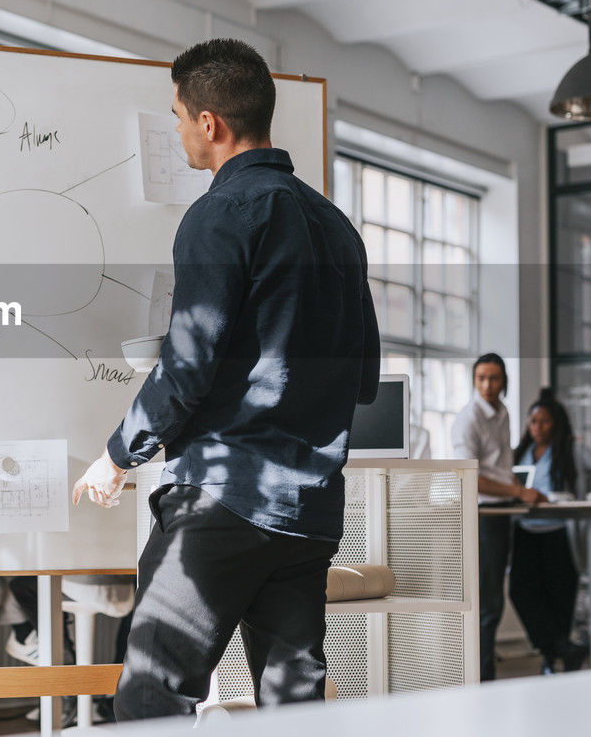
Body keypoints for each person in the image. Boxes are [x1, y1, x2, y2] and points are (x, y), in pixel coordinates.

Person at [72, 38, 380, 721]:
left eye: (179, 115)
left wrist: (118, 453)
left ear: (209, 124)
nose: (180, 128)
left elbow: (187, 365)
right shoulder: (337, 227)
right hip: (309, 512)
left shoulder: (219, 215)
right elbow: (364, 379)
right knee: (295, 709)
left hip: (225, 499)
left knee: (153, 694)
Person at [508, 391, 591, 674]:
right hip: (526, 531)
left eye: (544, 421)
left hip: (558, 532)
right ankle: (562, 649)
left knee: (559, 596)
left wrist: (579, 487)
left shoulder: (571, 450)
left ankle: (552, 658)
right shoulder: (520, 452)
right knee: (521, 592)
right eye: (533, 421)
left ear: (556, 424)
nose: (538, 427)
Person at [449, 353, 541, 682]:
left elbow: (499, 468)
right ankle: (481, 681)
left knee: (494, 603)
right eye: (481, 378)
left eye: (495, 378)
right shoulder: (468, 419)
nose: (488, 385)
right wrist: (516, 492)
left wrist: (520, 489)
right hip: (482, 515)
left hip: (501, 514)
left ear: (504, 382)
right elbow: (468, 475)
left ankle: (485, 676)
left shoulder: (501, 413)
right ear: (474, 381)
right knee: (486, 605)